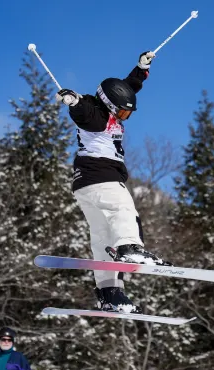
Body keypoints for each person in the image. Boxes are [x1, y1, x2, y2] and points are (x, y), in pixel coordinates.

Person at [54, 51, 172, 315]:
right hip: (102, 177)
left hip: (85, 185)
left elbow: (127, 87)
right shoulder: (95, 116)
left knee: (102, 236)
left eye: (126, 115)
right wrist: (73, 100)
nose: (122, 117)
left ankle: (110, 293)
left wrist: (141, 69)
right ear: (107, 104)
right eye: (120, 112)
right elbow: (83, 111)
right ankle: (130, 247)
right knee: (124, 211)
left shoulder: (110, 108)